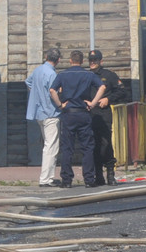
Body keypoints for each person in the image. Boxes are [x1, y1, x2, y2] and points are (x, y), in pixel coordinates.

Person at [49, 50, 106, 188]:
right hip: (83, 113)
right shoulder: (88, 74)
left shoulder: (63, 75)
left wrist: (60, 105)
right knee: (87, 147)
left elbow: (52, 91)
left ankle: (67, 180)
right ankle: (89, 179)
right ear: (82, 61)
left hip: (69, 113)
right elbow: (102, 87)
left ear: (70, 60)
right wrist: (92, 103)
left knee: (67, 148)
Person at [87, 49, 129, 186]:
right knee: (93, 145)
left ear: (101, 61)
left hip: (103, 114)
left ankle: (110, 174)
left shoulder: (109, 75)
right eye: (91, 60)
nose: (93, 62)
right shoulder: (86, 76)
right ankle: (98, 175)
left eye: (95, 60)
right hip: (90, 115)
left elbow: (122, 91)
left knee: (106, 144)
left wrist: (108, 99)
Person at [25, 47, 62, 187]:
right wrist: (60, 105)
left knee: (48, 145)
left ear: (46, 56)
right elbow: (54, 91)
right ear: (58, 60)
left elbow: (28, 82)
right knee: (51, 147)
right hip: (51, 112)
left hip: (39, 112)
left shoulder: (38, 70)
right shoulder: (52, 74)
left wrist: (37, 94)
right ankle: (46, 179)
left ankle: (48, 178)